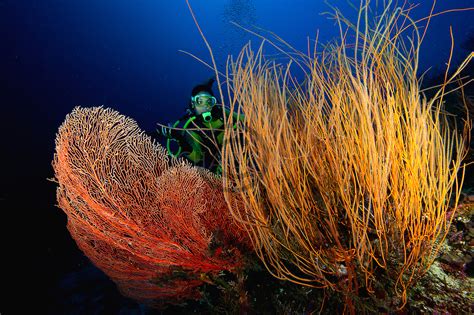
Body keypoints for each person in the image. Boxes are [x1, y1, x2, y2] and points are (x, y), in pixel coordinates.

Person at [158, 78, 243, 174]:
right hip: (215, 168)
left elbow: (244, 118)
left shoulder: (222, 113)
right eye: (200, 101)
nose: (205, 106)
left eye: (209, 101)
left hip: (238, 156)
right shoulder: (193, 127)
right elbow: (196, 157)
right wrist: (180, 139)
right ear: (193, 104)